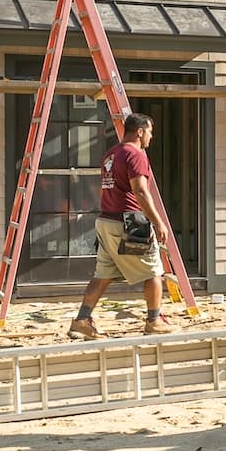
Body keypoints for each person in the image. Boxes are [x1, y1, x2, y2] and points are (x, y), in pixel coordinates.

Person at [68, 113, 171, 338]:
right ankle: (154, 320)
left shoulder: (111, 154)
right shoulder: (136, 154)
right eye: (150, 132)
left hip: (106, 220)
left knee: (103, 274)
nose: (151, 137)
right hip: (129, 221)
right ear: (140, 132)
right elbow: (140, 191)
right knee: (153, 271)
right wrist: (158, 222)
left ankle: (82, 320)